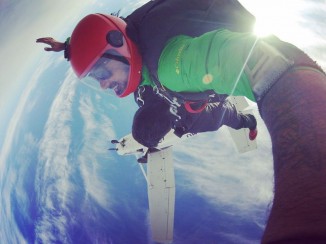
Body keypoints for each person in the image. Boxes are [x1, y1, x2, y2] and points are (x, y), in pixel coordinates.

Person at [37, 0, 326, 242]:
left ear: (118, 46)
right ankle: (181, 125)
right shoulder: (129, 33)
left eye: (101, 73)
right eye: (93, 78)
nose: (101, 85)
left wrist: (307, 208)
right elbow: (105, 31)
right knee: (146, 118)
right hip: (181, 58)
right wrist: (69, 48)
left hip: (205, 86)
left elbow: (267, 63)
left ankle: (243, 120)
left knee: (194, 118)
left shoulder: (172, 66)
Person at [132, 86, 257, 148]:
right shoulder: (141, 91)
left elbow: (224, 113)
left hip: (217, 91)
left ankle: (251, 123)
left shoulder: (188, 121)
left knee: (236, 121)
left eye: (162, 137)